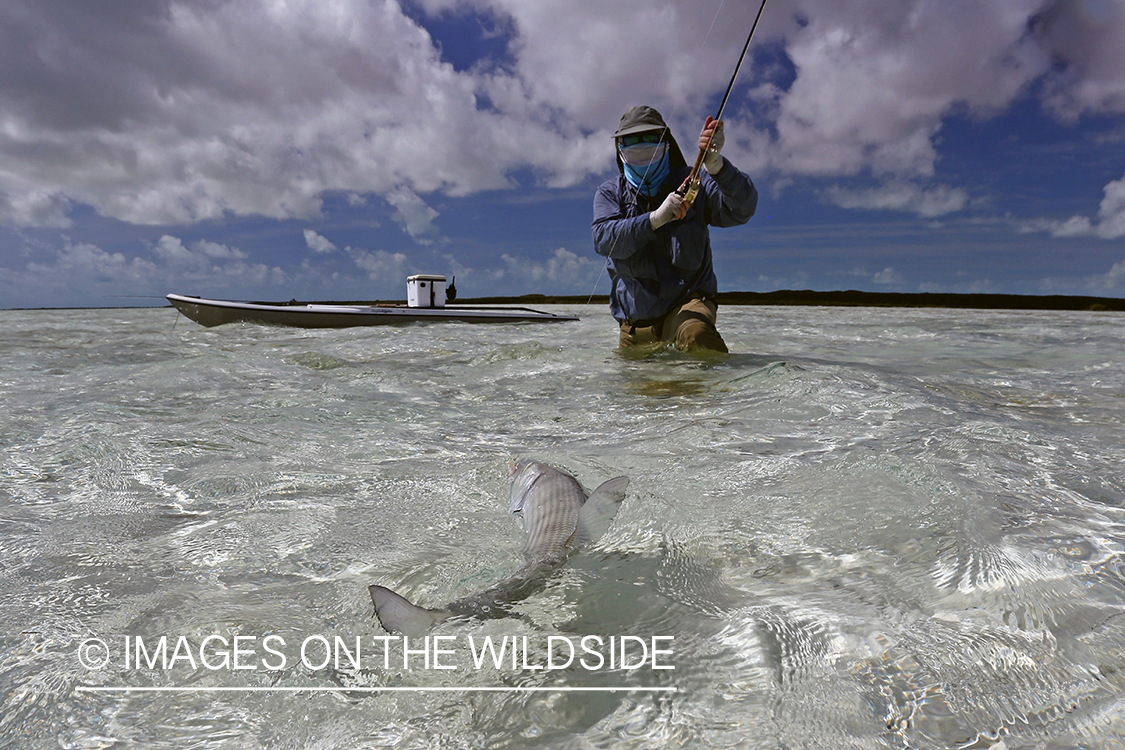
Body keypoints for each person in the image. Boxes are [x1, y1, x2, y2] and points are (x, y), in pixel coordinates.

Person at [592, 105, 758, 353]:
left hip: (687, 306)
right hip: (635, 325)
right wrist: (654, 219)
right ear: (619, 147)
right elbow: (603, 240)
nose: (641, 145)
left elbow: (741, 210)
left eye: (651, 137)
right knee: (633, 378)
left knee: (697, 335)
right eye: (631, 140)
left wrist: (717, 167)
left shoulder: (694, 181)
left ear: (666, 142)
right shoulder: (610, 193)